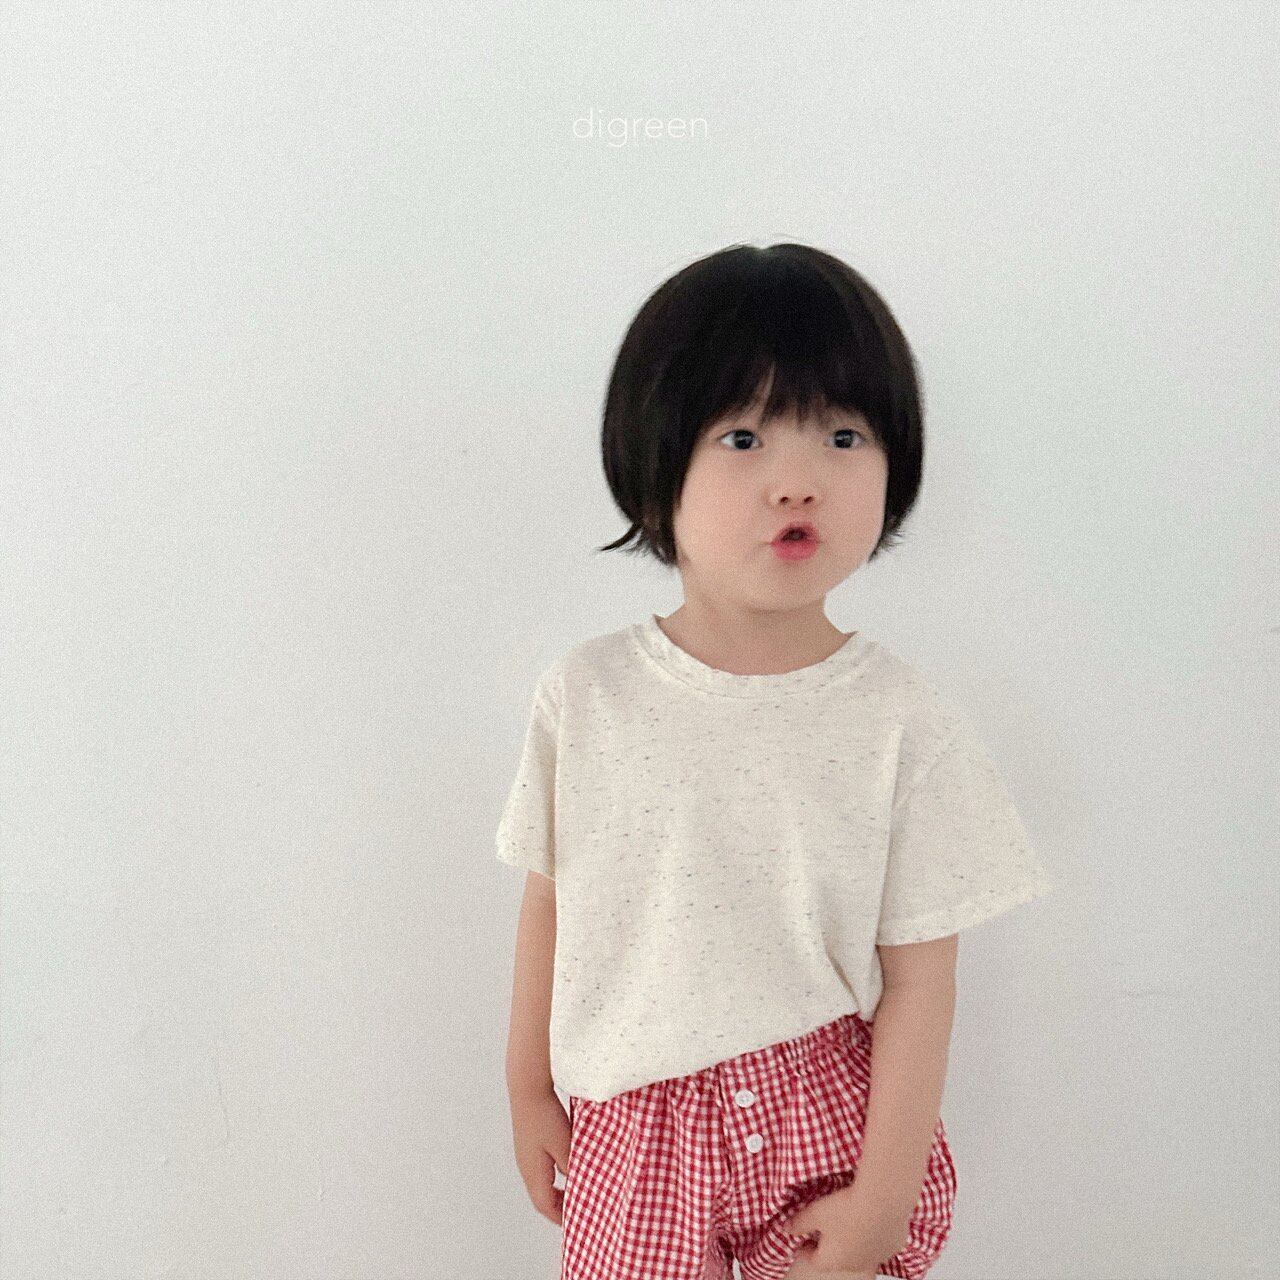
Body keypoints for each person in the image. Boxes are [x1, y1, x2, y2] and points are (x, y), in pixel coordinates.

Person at [496, 242, 1054, 1280]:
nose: (797, 482)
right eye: (743, 437)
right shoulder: (587, 695)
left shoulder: (901, 720)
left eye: (842, 435)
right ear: (655, 468)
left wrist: (885, 1193)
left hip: (828, 1123)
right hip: (636, 1135)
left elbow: (922, 978)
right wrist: (527, 1084)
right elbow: (550, 897)